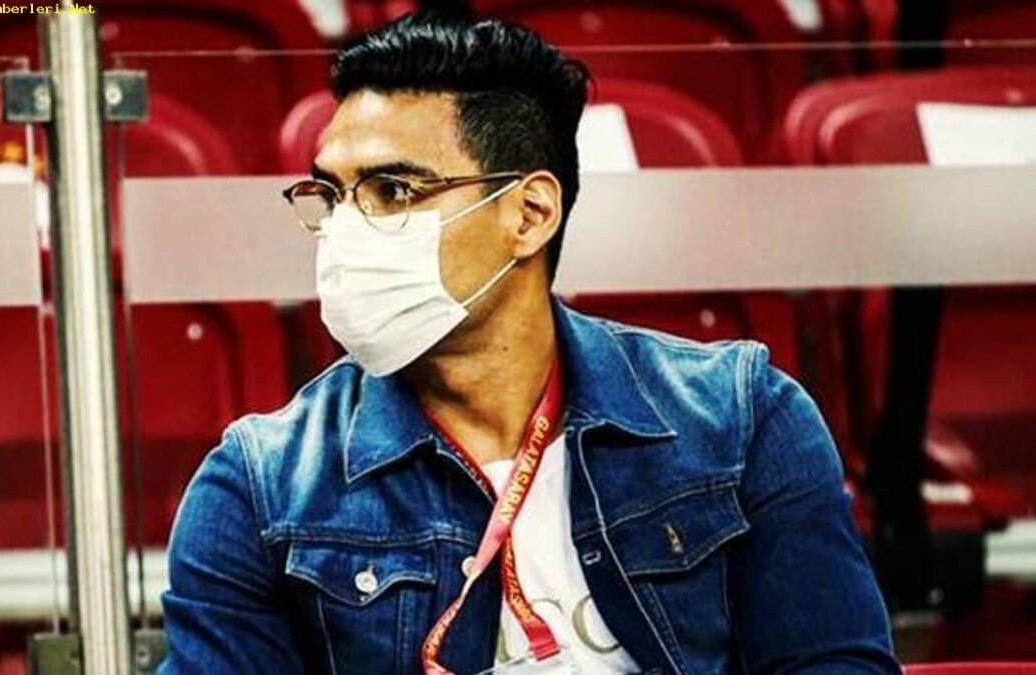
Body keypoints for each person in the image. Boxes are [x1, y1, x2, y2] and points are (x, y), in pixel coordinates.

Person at [160, 12, 900, 674]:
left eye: (393, 191)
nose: (346, 230)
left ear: (530, 213)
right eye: (332, 194)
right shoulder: (260, 486)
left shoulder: (740, 419)